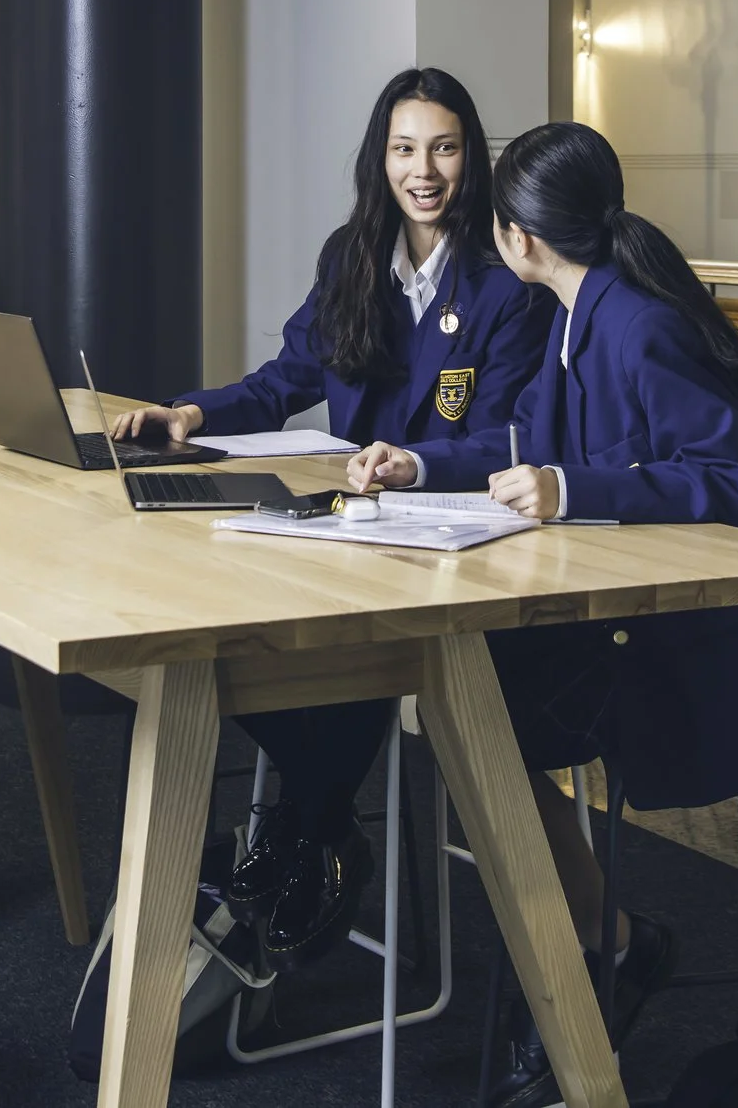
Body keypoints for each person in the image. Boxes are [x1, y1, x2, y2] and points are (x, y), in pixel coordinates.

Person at [347, 121, 738, 1108]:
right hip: (632, 627)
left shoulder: (635, 323)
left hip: (704, 649)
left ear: (519, 236)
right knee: (471, 709)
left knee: (477, 715)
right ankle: (592, 948)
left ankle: (593, 954)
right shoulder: (580, 314)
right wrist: (415, 462)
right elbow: (515, 437)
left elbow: (727, 478)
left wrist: (571, 488)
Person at [112, 68, 553, 960]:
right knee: (213, 644)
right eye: (403, 149)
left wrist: (417, 462)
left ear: (471, 155)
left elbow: (513, 431)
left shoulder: (506, 278)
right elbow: (286, 380)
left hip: (457, 532)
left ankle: (303, 834)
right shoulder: (350, 254)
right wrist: (191, 415)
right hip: (353, 520)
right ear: (379, 157)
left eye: (443, 147)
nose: (422, 170)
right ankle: (321, 828)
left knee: (352, 652)